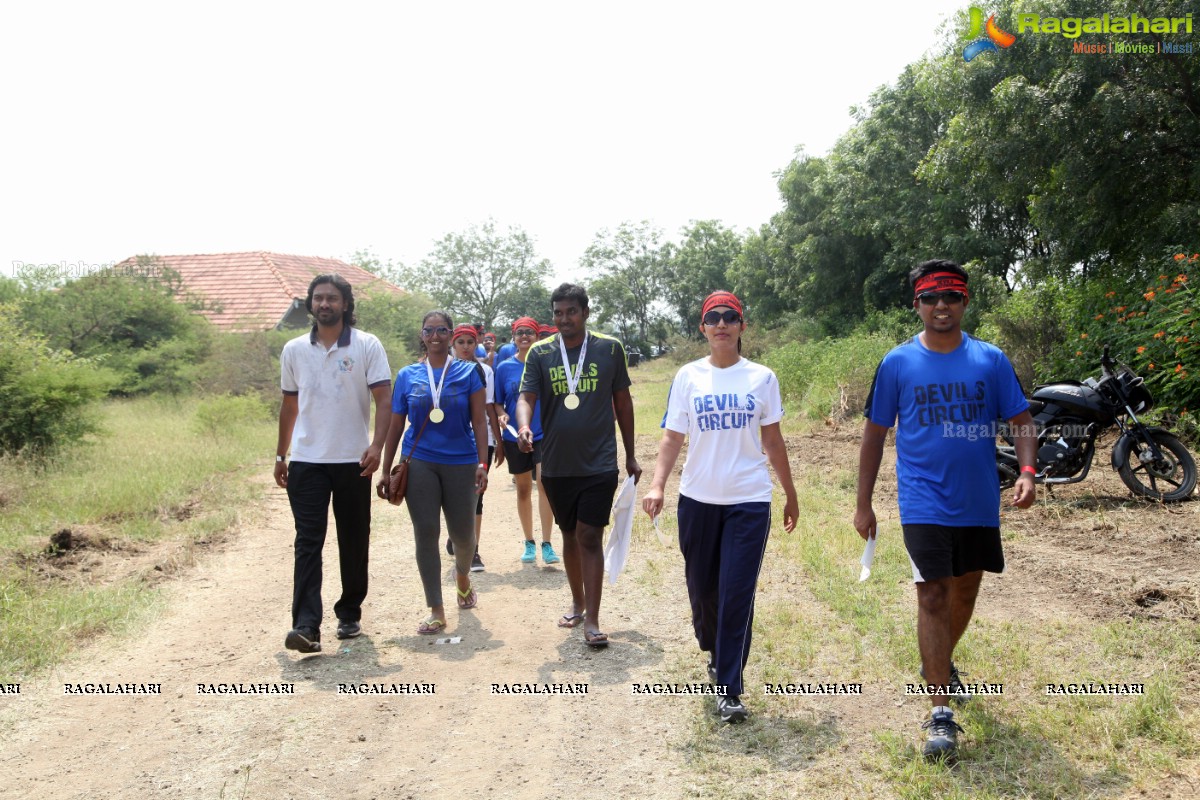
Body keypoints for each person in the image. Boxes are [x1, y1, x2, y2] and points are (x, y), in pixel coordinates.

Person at [854, 259, 1037, 759]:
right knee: (933, 595)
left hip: (979, 499)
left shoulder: (991, 360)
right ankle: (940, 711)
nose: (941, 306)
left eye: (951, 297)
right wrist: (864, 501)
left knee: (966, 588)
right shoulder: (897, 363)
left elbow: (1021, 420)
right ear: (916, 304)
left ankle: (939, 662)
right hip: (922, 500)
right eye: (931, 298)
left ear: (965, 302)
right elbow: (874, 434)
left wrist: (1026, 472)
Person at [642, 291, 798, 724]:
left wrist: (790, 492)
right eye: (714, 318)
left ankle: (729, 687)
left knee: (736, 593)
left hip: (748, 500)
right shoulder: (688, 376)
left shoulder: (762, 378)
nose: (723, 324)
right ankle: (714, 651)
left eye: (731, 317)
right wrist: (657, 486)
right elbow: (673, 437)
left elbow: (772, 440)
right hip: (698, 500)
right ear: (703, 328)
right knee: (703, 591)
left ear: (742, 326)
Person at [516, 283, 641, 648]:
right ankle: (577, 600)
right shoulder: (540, 352)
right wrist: (524, 425)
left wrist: (630, 454)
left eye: (571, 311)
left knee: (590, 535)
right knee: (569, 534)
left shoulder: (609, 348)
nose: (564, 319)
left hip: (599, 462)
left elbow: (623, 403)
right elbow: (526, 397)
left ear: (585, 312)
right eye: (558, 312)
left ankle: (594, 619)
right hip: (555, 463)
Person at [275, 274, 392, 653]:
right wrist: (282, 454)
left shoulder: (366, 345)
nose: (325, 304)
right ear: (310, 304)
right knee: (308, 541)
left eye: (332, 298)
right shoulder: (293, 349)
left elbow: (384, 400)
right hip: (307, 461)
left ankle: (350, 611)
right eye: (319, 298)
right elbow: (290, 406)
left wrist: (377, 445)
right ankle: (306, 625)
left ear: (345, 304)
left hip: (353, 460)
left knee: (354, 538)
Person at [379, 311, 490, 635]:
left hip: (461, 461)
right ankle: (437, 610)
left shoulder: (470, 373)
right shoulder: (407, 376)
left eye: (442, 330)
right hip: (420, 461)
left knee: (463, 536)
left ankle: (463, 576)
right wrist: (386, 470)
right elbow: (396, 424)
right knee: (425, 532)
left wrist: (482, 464)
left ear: (451, 334)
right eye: (430, 330)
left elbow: (480, 421)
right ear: (422, 335)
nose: (436, 336)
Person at [494, 316, 559, 565]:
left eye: (529, 333)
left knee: (545, 486)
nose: (524, 336)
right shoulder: (504, 368)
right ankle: (529, 542)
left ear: (537, 336)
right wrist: (501, 414)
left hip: (545, 433)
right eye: (519, 332)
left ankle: (547, 543)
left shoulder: (546, 363)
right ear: (514, 337)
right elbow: (497, 401)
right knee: (523, 489)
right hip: (515, 435)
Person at [451, 324, 505, 572]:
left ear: (476, 344)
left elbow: (490, 407)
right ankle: (458, 535)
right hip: (453, 441)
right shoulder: (446, 370)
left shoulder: (485, 371)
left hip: (481, 440)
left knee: (476, 496)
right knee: (452, 497)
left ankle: (472, 550)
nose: (464, 347)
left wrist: (499, 441)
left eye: (469, 342)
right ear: (453, 344)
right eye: (460, 342)